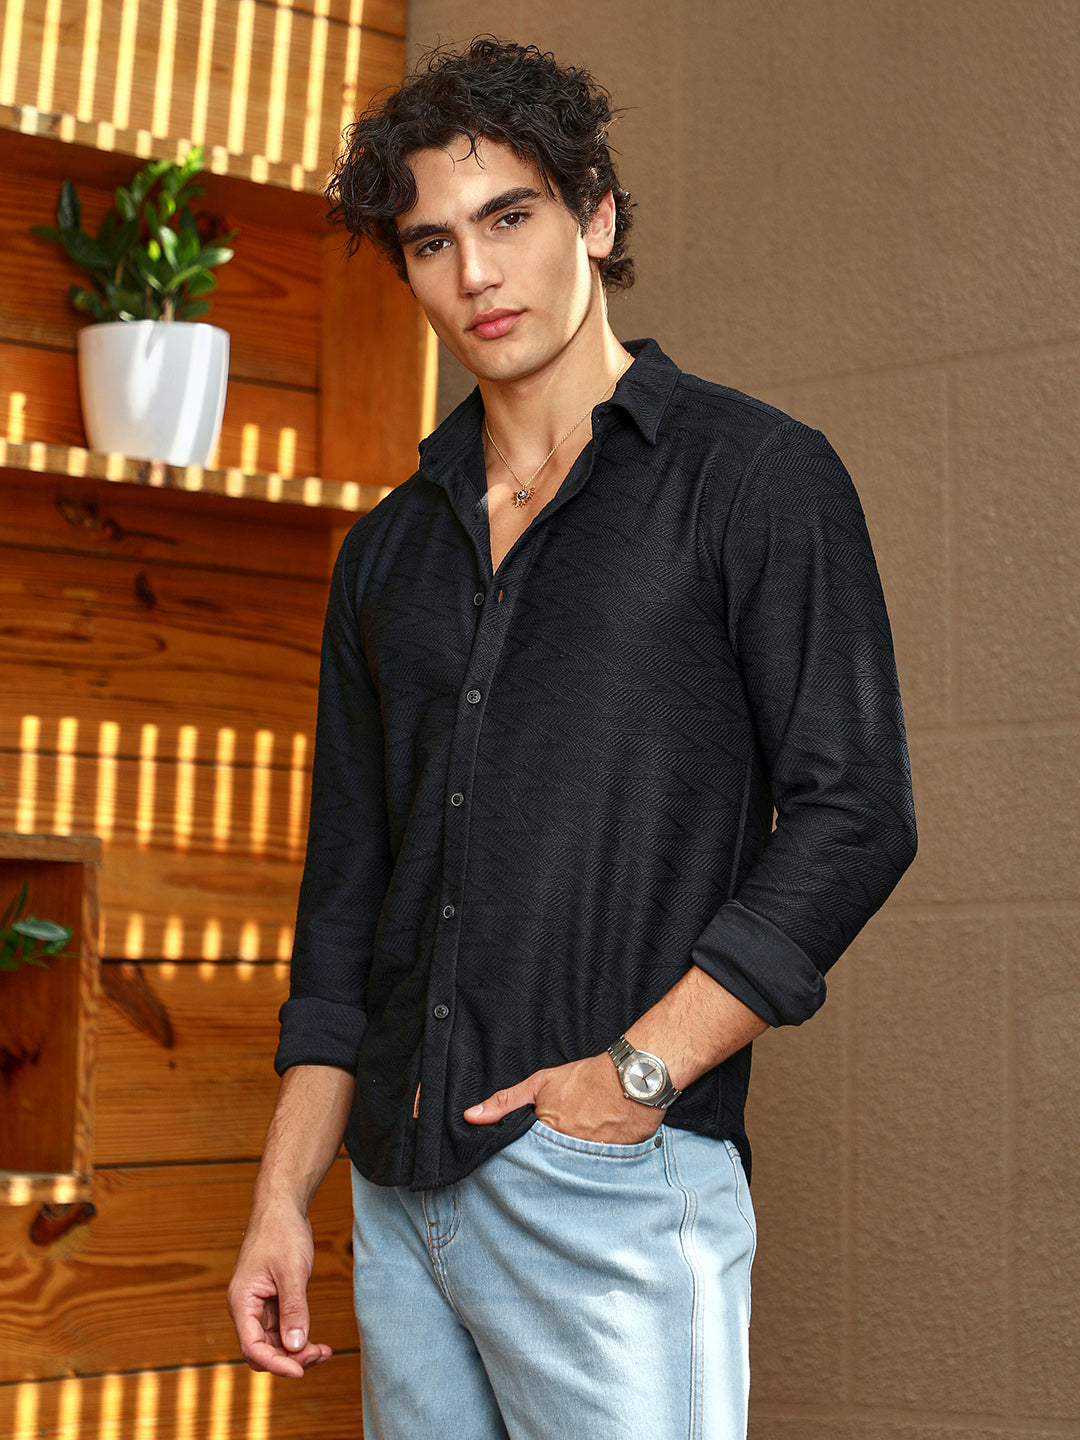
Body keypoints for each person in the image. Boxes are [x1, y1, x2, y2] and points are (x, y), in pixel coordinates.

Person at [227, 37, 917, 1440]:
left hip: (606, 1184)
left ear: (594, 215)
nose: (476, 274)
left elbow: (856, 815)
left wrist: (638, 1076)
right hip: (396, 1198)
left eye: (510, 216)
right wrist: (281, 1197)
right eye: (432, 242)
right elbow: (346, 906)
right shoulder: (386, 558)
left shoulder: (754, 479)